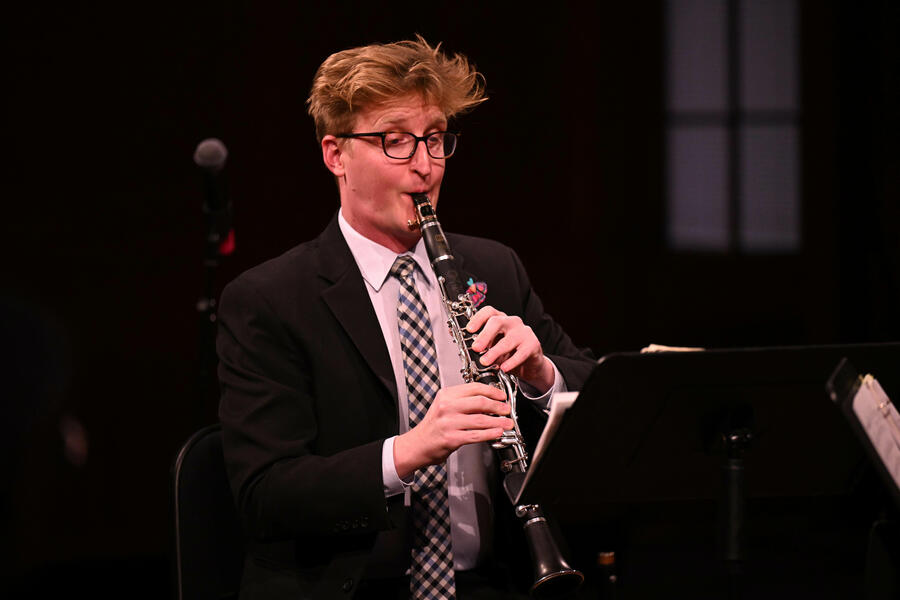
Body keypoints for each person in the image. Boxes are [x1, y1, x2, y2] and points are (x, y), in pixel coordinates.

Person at [217, 36, 596, 599]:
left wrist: (541, 376)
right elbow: (266, 493)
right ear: (335, 155)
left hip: (495, 584)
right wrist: (409, 451)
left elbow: (597, 393)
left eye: (436, 140)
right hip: (355, 587)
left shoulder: (494, 266)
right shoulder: (270, 299)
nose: (424, 166)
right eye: (395, 142)